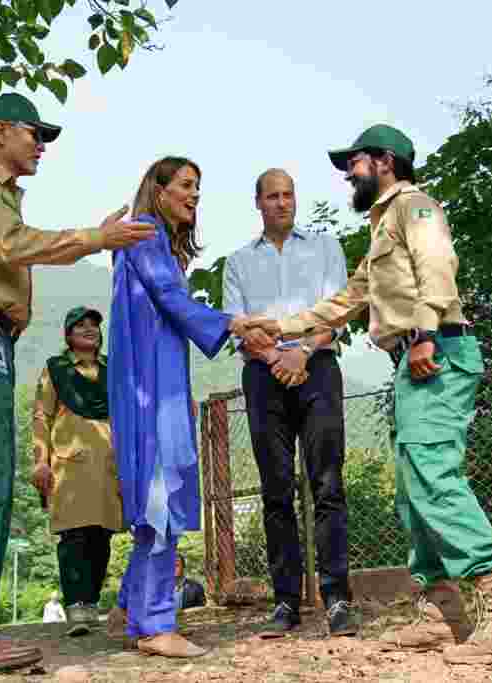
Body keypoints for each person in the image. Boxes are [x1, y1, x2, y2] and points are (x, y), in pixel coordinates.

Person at [246, 124, 492, 665]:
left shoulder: (416, 208)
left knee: (434, 476)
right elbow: (347, 300)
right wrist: (278, 324)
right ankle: (442, 612)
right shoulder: (382, 223)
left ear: (384, 161)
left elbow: (438, 267)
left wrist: (426, 332)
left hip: (434, 353)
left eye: (354, 164)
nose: (347, 175)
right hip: (413, 361)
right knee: (413, 490)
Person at [0, 92, 157, 676]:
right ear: (0, 131)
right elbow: (14, 247)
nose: (42, 145)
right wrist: (96, 239)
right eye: (34, 133)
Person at [107, 156, 258, 658]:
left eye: (199, 187)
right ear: (159, 189)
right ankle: (153, 625)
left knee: (158, 493)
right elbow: (173, 300)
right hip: (152, 388)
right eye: (187, 185)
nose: (195, 195)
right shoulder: (145, 232)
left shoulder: (146, 241)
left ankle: (131, 606)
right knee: (160, 497)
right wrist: (231, 323)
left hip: (153, 383)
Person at [222, 168, 357, 638]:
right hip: (263, 376)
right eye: (273, 196)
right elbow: (238, 326)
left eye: (289, 194)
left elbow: (337, 310)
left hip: (317, 367)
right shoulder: (238, 262)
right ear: (257, 202)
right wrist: (277, 358)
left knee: (327, 484)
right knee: (276, 491)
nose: (283, 203)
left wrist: (301, 352)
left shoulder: (325, 248)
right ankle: (285, 602)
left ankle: (337, 597)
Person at [32, 306, 123, 638]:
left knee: (102, 535)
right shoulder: (55, 369)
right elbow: (42, 415)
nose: (89, 330)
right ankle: (76, 608)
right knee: (74, 536)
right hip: (69, 465)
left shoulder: (113, 368)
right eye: (80, 325)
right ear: (68, 335)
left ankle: (91, 601)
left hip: (108, 464)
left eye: (94, 326)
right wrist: (40, 460)